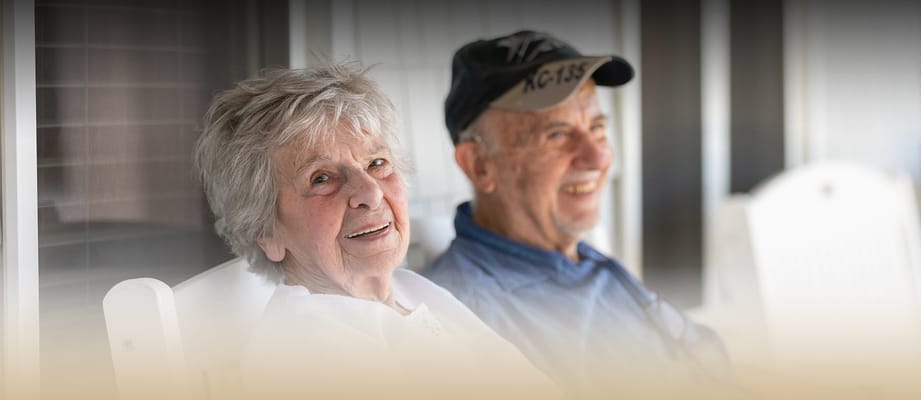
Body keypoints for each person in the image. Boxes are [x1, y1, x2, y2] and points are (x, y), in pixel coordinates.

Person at [194, 62, 560, 399]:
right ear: (267, 232)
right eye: (321, 178)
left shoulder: (410, 290)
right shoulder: (309, 357)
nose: (370, 192)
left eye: (377, 162)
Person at [424, 30, 732, 397]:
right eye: (557, 135)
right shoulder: (464, 315)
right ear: (480, 165)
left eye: (597, 128)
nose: (598, 157)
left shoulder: (572, 254)